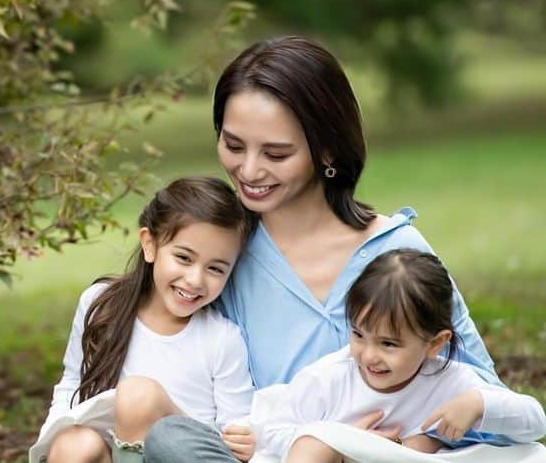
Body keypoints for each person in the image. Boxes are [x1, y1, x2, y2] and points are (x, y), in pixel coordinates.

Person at [144, 36, 502, 462]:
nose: (249, 170)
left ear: (327, 148)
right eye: (233, 145)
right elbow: (193, 380)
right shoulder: (222, 255)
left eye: (276, 153)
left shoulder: (396, 252)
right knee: (172, 440)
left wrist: (407, 445)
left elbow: (486, 402)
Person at [30, 177, 258, 463]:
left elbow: (235, 424)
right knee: (74, 443)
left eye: (215, 268)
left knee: (140, 396)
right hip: (112, 448)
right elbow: (72, 382)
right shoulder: (101, 305)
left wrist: (246, 438)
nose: (195, 279)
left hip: (179, 453)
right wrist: (52, 443)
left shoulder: (221, 338)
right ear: (149, 245)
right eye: (184, 258)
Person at [253, 249, 546, 461]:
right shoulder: (329, 378)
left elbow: (535, 423)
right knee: (311, 448)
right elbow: (273, 433)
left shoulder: (449, 382)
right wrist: (342, 441)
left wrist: (478, 404)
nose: (368, 356)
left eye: (389, 344)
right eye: (358, 335)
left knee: (421, 447)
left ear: (434, 344)